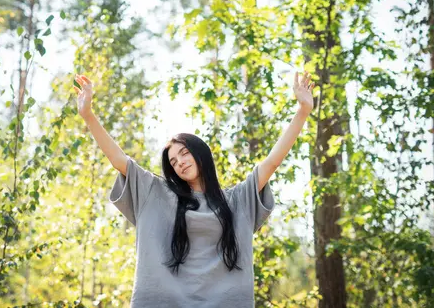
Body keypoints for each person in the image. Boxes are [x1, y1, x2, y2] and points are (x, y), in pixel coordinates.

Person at [73, 72, 315, 308]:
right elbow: (119, 159)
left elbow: (272, 162)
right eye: (174, 162)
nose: (180, 163)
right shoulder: (155, 192)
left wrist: (303, 111)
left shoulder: (238, 200)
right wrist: (87, 115)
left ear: (200, 152)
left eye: (184, 153)